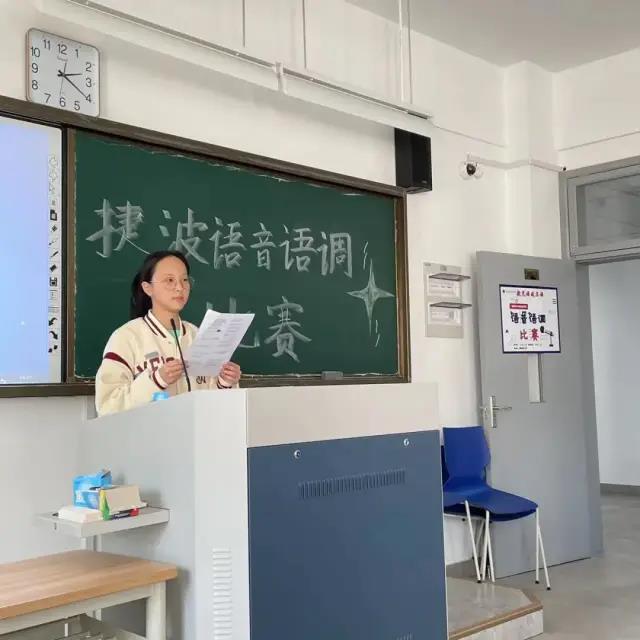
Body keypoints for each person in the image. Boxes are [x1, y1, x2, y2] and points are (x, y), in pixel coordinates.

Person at [95, 250, 241, 416]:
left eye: (184, 280)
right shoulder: (126, 337)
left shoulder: (200, 336)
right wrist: (156, 380)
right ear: (148, 288)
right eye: (169, 280)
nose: (179, 287)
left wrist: (224, 383)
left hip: (196, 431)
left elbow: (213, 407)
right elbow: (107, 406)